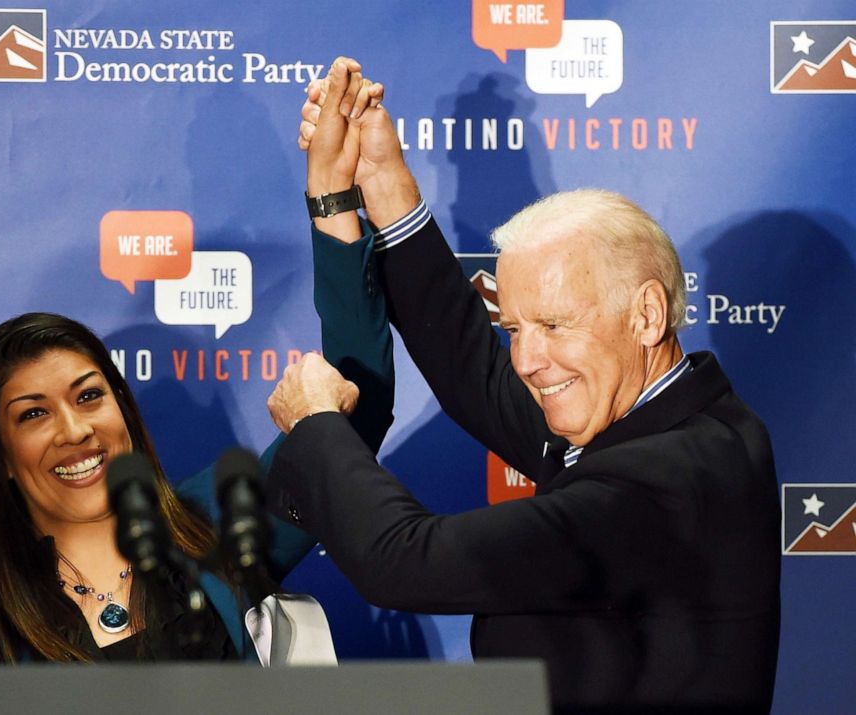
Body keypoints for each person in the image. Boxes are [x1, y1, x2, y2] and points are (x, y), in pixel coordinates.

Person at [265, 59, 781, 712]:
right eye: (515, 327)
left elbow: (406, 561)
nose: (529, 359)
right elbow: (475, 372)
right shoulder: (675, 422)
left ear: (647, 313)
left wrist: (315, 426)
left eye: (556, 324)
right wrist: (381, 179)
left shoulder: (666, 477)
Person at [0, 286, 392, 659]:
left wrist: (334, 205)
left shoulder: (218, 518)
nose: (75, 430)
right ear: (0, 455)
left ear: (122, 408)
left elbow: (353, 401)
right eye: (33, 415)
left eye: (88, 397)